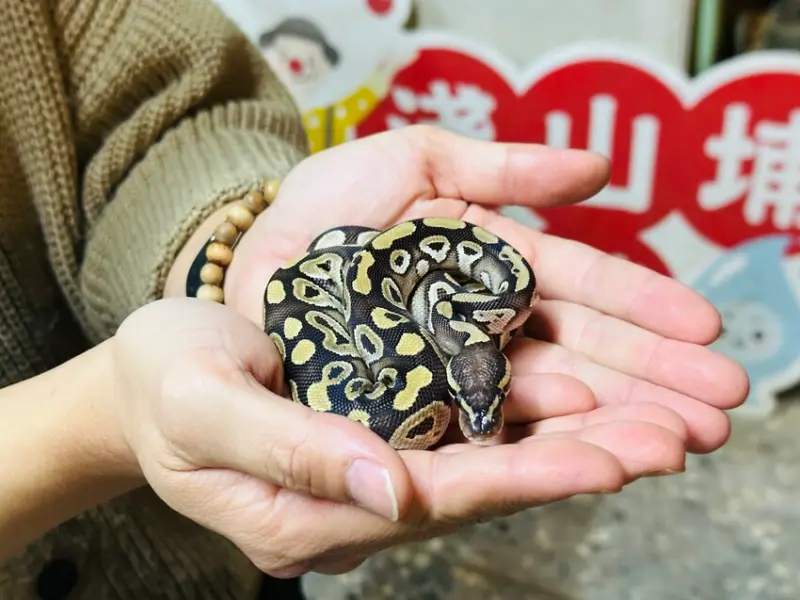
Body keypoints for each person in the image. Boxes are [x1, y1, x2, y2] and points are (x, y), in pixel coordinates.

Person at [0, 1, 749, 599]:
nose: (482, 424)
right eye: (474, 403)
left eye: (482, 406)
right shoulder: (451, 321)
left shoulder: (472, 303)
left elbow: (150, 118)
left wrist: (219, 249)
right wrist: (105, 416)